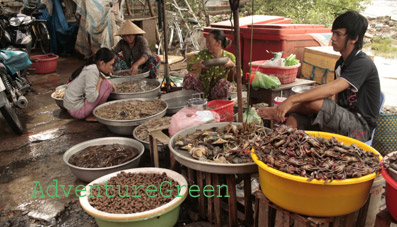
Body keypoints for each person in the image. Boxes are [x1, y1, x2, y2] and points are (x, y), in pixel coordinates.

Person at [256, 10, 380, 142]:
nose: (333, 38)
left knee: (313, 102)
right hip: (342, 119)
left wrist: (291, 100)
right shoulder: (341, 63)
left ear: (354, 38)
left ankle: (279, 111)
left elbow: (331, 89)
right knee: (294, 119)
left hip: (359, 126)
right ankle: (282, 152)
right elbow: (335, 98)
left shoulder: (362, 63)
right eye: (333, 33)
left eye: (338, 34)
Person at [63, 47, 116, 121]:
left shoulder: (92, 66)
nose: (111, 68)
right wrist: (100, 81)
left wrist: (102, 78)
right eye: (110, 65)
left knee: (106, 81)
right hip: (77, 111)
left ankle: (93, 113)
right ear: (102, 63)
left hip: (71, 107)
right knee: (107, 85)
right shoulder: (92, 70)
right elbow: (91, 98)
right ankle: (95, 114)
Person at [183, 29, 236, 100]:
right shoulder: (203, 54)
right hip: (201, 91)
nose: (207, 45)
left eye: (209, 42)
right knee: (189, 77)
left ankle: (219, 106)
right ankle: (190, 104)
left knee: (223, 82)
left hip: (216, 92)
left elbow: (240, 75)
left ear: (218, 43)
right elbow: (189, 67)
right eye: (206, 42)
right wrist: (198, 64)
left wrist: (232, 65)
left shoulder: (229, 56)